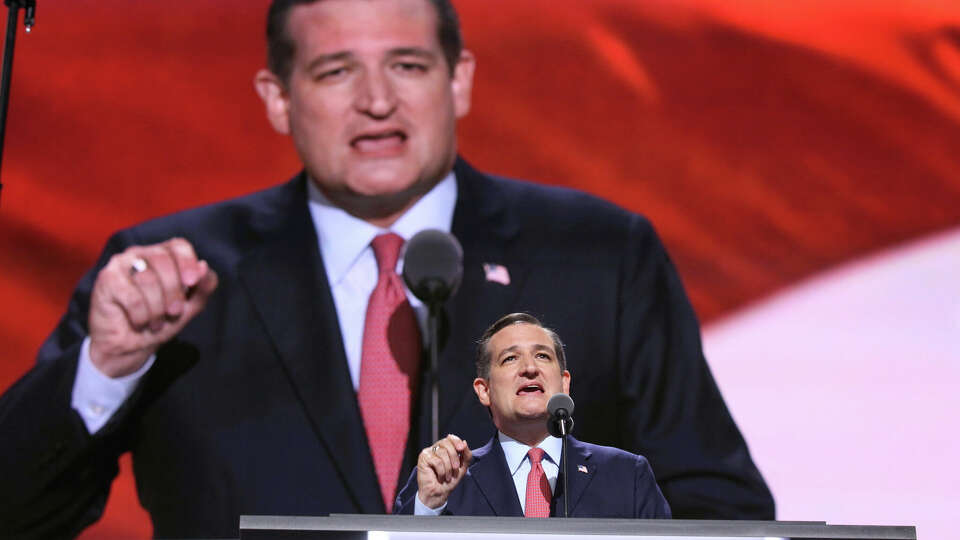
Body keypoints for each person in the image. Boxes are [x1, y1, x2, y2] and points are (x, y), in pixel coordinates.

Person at [0, 0, 773, 538]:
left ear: (458, 78)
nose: (376, 101)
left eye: (405, 65)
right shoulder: (174, 276)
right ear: (278, 98)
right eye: (335, 72)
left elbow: (719, 513)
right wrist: (107, 365)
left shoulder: (602, 256)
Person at [395, 313, 672, 518]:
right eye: (510, 358)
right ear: (484, 390)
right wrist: (429, 506)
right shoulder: (445, 479)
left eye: (542, 356)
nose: (529, 368)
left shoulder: (626, 475)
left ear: (564, 383)